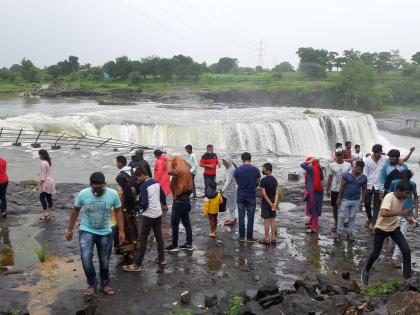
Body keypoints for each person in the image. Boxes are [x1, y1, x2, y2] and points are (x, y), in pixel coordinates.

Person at [65, 172, 125, 297]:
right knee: (86, 258)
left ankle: (104, 284)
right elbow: (75, 210)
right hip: (86, 230)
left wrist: (121, 230)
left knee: (104, 260)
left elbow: (118, 211)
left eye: (100, 188)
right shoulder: (83, 194)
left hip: (105, 232)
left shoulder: (112, 194)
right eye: (94, 188)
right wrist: (69, 229)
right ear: (90, 185)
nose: (97, 191)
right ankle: (92, 283)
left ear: (105, 184)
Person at [361, 180, 413, 286]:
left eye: (409, 193)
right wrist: (401, 213)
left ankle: (407, 280)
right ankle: (366, 270)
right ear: (398, 190)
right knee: (376, 253)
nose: (407, 196)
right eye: (406, 193)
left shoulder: (402, 198)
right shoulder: (389, 197)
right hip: (381, 229)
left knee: (406, 251)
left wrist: (407, 218)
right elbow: (384, 212)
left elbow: (398, 208)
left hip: (394, 228)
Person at [123, 167, 168, 272]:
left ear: (143, 174)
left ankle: (137, 265)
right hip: (158, 213)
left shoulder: (144, 185)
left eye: (138, 177)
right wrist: (161, 204)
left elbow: (145, 203)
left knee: (143, 239)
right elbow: (162, 196)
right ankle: (162, 259)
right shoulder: (156, 182)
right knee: (159, 237)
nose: (138, 179)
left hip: (148, 215)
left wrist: (139, 209)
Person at [390, 170, 418, 268]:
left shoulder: (413, 184)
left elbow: (415, 197)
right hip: (395, 212)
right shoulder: (394, 183)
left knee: (402, 236)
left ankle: (395, 258)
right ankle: (392, 246)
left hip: (407, 212)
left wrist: (416, 211)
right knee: (392, 233)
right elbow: (391, 196)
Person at [165, 155, 193, 252]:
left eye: (174, 164)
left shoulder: (180, 170)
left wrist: (169, 160)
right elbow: (189, 165)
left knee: (174, 223)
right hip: (186, 199)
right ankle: (189, 244)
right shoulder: (186, 168)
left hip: (179, 200)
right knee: (186, 222)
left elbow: (168, 171)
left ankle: (174, 245)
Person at [335, 160, 368, 241]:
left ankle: (349, 234)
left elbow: (364, 189)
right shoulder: (346, 175)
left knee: (352, 217)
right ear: (354, 167)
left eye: (361, 169)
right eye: (358, 169)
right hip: (345, 199)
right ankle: (338, 233)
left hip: (356, 200)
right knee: (341, 216)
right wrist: (339, 198)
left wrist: (363, 198)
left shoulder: (364, 177)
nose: (359, 171)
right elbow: (342, 187)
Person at [234, 152, 261, 242]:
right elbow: (257, 183)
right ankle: (249, 237)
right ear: (250, 159)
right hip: (251, 195)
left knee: (241, 216)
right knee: (251, 217)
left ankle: (241, 237)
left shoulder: (237, 170)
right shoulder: (256, 170)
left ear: (242, 159)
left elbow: (237, 182)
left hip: (241, 194)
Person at [112, 173, 139, 261]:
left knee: (123, 233)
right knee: (132, 233)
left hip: (123, 216)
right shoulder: (132, 190)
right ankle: (132, 251)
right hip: (131, 215)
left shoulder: (119, 193)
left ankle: (127, 252)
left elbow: (116, 206)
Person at [326, 150, 352, 233]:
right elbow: (330, 177)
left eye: (340, 154)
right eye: (337, 155)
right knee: (335, 207)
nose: (339, 156)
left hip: (346, 189)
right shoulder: (332, 165)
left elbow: (350, 177)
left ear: (343, 155)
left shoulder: (348, 165)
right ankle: (336, 222)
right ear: (335, 155)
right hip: (334, 189)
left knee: (345, 206)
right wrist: (327, 190)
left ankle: (343, 221)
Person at [301, 157, 324, 234]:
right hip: (317, 190)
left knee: (314, 208)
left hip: (313, 191)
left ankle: (314, 227)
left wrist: (309, 161)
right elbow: (322, 178)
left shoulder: (311, 169)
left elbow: (302, 165)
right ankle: (311, 221)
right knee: (313, 206)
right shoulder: (319, 169)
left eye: (310, 162)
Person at [259, 163, 279, 245]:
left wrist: (270, 204)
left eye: (263, 169)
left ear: (268, 171)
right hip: (273, 201)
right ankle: (273, 238)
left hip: (266, 203)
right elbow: (277, 193)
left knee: (266, 221)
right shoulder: (275, 180)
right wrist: (274, 204)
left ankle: (267, 238)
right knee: (273, 220)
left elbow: (264, 194)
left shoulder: (263, 180)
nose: (262, 170)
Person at [37, 149, 56, 220]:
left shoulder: (43, 163)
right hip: (51, 181)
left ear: (41, 155)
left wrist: (39, 185)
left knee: (42, 197)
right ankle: (49, 214)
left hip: (46, 183)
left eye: (39, 155)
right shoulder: (48, 162)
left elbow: (43, 177)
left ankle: (45, 213)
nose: (39, 156)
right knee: (49, 198)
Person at [221, 156, 237, 226]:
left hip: (231, 190)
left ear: (228, 162)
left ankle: (232, 220)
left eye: (225, 163)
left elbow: (228, 180)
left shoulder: (231, 169)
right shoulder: (229, 167)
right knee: (230, 204)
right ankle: (232, 218)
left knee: (231, 205)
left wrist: (222, 189)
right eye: (224, 164)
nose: (224, 165)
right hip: (229, 189)